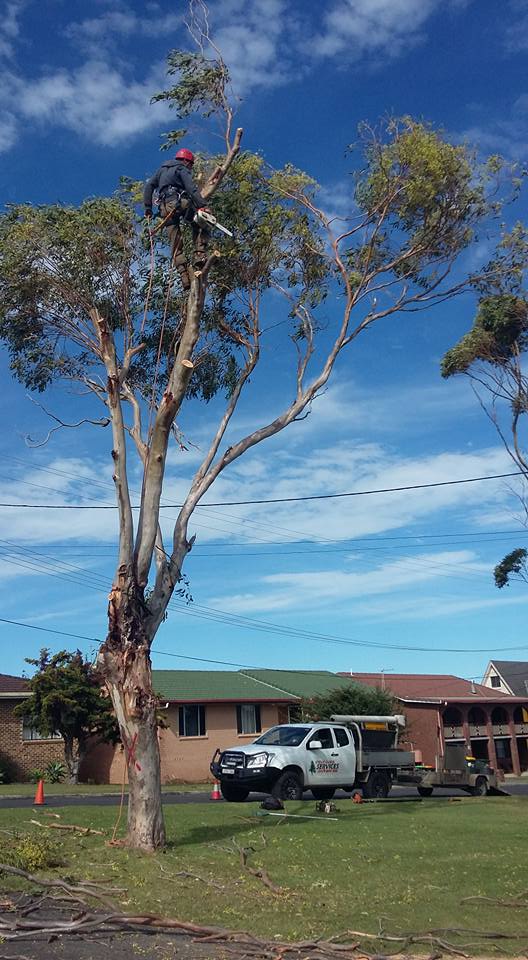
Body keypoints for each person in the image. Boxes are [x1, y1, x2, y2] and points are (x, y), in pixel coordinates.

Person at [143, 148, 211, 291]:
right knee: (201, 223)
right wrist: (203, 206)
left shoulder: (161, 171)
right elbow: (191, 188)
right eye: (191, 165)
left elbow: (149, 185)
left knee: (175, 242)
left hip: (164, 209)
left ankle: (184, 275)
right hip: (179, 203)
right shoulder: (181, 168)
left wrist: (148, 208)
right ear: (186, 161)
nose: (191, 168)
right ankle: (199, 255)